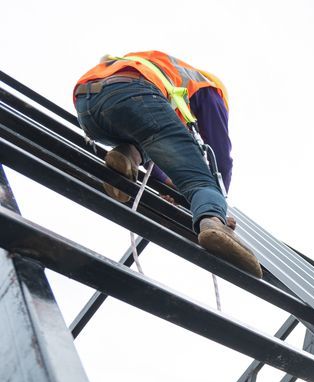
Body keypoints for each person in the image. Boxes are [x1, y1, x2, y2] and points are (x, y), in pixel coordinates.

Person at [73, 51, 261, 278]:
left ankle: (127, 157)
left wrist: (168, 186)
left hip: (89, 110)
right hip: (134, 95)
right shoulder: (210, 88)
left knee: (147, 138)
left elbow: (162, 151)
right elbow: (219, 157)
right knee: (202, 180)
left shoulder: (163, 77)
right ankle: (213, 225)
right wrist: (217, 202)